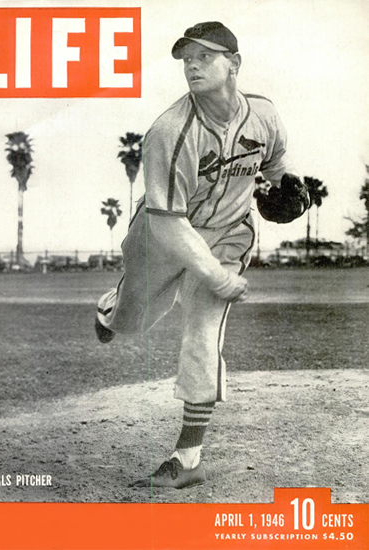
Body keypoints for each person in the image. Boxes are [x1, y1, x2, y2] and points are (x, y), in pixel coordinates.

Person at [95, 21, 308, 489]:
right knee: (131, 319)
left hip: (230, 233)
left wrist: (289, 182)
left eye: (204, 56)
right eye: (186, 58)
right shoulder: (170, 131)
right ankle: (113, 307)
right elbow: (169, 222)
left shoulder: (264, 115)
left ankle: (187, 457)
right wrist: (210, 271)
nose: (191, 64)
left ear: (234, 64)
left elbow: (276, 161)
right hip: (163, 233)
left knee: (202, 331)